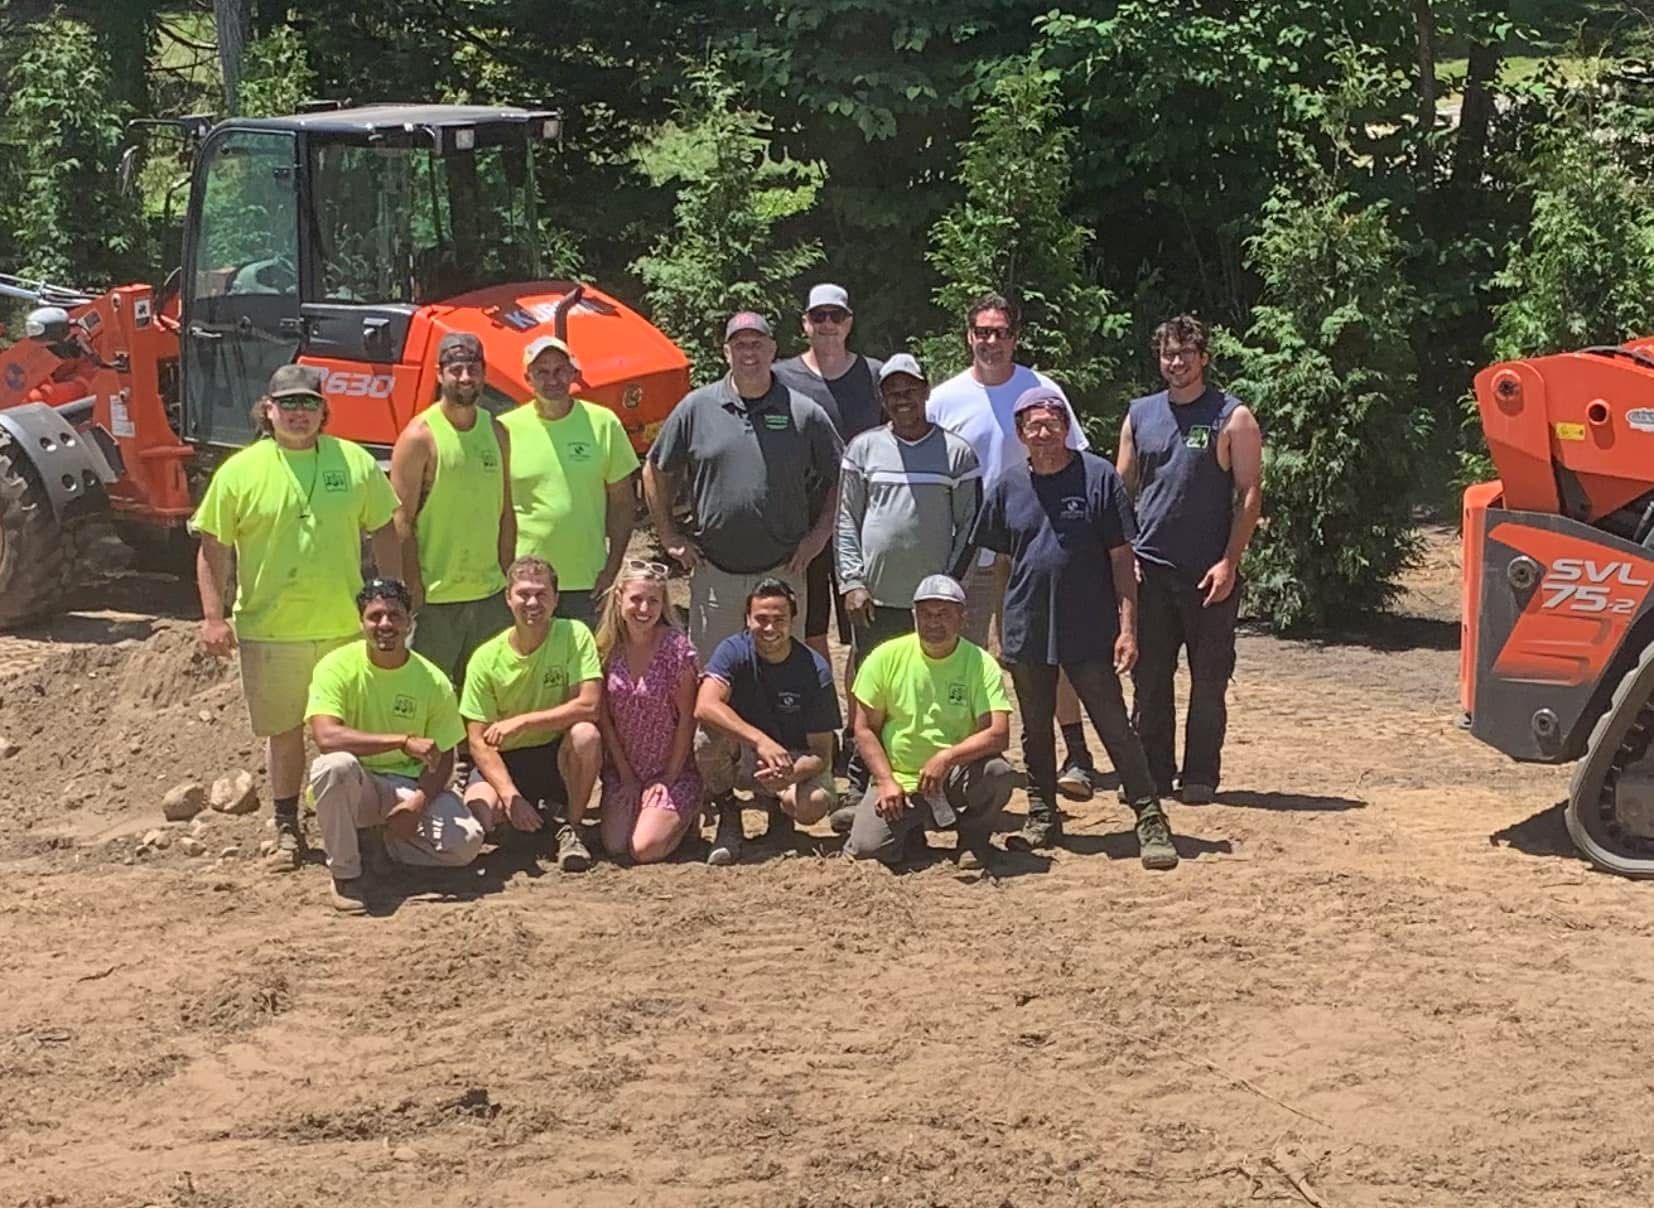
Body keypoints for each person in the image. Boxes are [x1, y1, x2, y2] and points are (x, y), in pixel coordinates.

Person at [192, 363, 401, 872]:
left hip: (344, 631)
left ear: (323, 410)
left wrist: (392, 598)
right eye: (289, 404)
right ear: (269, 410)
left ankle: (358, 824)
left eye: (309, 404)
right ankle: (287, 826)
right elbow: (213, 546)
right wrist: (213, 617)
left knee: (350, 734)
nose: (299, 414)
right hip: (271, 630)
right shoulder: (240, 471)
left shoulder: (353, 461)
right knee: (285, 735)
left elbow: (385, 530)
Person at [972, 387, 1178, 869]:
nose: (1042, 433)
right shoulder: (1006, 486)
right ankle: (1043, 813)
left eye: (1051, 423)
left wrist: (1128, 627)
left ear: (1067, 427)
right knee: (1035, 729)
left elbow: (1122, 559)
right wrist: (1003, 625)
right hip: (1027, 625)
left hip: (1089, 627)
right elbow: (1002, 565)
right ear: (1021, 433)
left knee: (1114, 725)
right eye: (1032, 425)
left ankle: (1148, 815)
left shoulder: (1098, 478)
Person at [925, 291, 1099, 799]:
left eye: (1001, 332)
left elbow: (1077, 463)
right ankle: (980, 759)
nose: (991, 341)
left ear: (1015, 336)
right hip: (971, 556)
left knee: (1054, 656)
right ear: (968, 337)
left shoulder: (1042, 390)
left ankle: (1075, 755)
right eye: (982, 331)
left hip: (1038, 552)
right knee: (971, 659)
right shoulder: (943, 399)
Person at [1117, 315, 1263, 804]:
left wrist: (1230, 562)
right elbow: (1123, 490)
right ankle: (1154, 775)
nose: (1176, 362)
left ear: (1203, 357)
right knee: (1150, 679)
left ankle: (1201, 775)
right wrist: (1125, 553)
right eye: (1167, 354)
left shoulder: (1232, 416)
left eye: (1185, 353)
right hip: (1150, 570)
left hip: (1209, 575)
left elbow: (1248, 494)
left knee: (1209, 681)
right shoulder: (1139, 414)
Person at [643, 312, 843, 659]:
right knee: (711, 677)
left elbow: (843, 476)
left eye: (757, 344)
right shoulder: (697, 407)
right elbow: (655, 468)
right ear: (726, 352)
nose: (748, 352)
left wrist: (820, 535)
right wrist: (668, 534)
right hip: (715, 573)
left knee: (783, 677)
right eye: (739, 344)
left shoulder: (802, 412)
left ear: (772, 350)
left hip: (784, 571)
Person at [835, 353, 981, 796]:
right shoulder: (862, 449)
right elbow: (847, 520)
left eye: (910, 390)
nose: (903, 400)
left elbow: (970, 528)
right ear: (883, 398)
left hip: (933, 606)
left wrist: (950, 593)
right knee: (871, 693)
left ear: (926, 391)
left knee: (932, 694)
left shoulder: (956, 453)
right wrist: (852, 582)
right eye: (893, 392)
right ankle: (863, 786)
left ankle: (939, 784)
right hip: (875, 599)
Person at [305, 578, 484, 914]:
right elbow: (326, 736)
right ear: (361, 623)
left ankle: (380, 844)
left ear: (409, 621)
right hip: (358, 786)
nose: (385, 624)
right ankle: (347, 875)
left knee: (467, 844)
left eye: (394, 616)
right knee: (333, 767)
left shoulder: (433, 680)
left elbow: (444, 756)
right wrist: (401, 742)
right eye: (375, 617)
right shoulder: (336, 667)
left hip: (407, 787)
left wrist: (417, 803)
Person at [843, 574, 1015, 871]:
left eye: (944, 613)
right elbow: (863, 728)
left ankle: (973, 839)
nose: (934, 622)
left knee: (998, 773)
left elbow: (998, 734)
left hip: (954, 775)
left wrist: (946, 757)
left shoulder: (979, 662)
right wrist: (885, 780)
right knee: (866, 851)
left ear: (962, 616)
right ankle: (906, 829)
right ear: (914, 615)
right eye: (926, 613)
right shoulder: (884, 657)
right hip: (900, 778)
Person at [458, 556, 603, 873]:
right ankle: (522, 817)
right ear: (508, 598)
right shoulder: (485, 658)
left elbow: (590, 705)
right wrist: (510, 796)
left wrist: (522, 721)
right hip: (505, 758)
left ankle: (573, 828)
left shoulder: (574, 635)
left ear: (556, 599)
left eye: (542, 594)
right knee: (479, 819)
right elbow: (477, 741)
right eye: (523, 594)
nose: (532, 602)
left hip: (554, 753)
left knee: (586, 735)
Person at [389, 331, 515, 688]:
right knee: (430, 698)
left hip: (489, 594)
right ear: (439, 373)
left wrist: (507, 574)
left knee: (484, 697)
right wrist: (413, 585)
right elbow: (400, 520)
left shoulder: (496, 431)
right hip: (436, 598)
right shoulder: (420, 437)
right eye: (456, 369)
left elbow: (505, 510)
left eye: (472, 369)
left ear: (484, 373)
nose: (465, 378)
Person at [774, 283, 884, 664]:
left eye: (835, 316)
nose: (827, 325)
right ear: (805, 323)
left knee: (864, 627)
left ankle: (861, 723)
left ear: (848, 322)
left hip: (867, 519)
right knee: (809, 625)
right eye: (818, 316)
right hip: (801, 521)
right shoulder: (780, 378)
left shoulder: (875, 376)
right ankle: (820, 716)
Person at [694, 578, 841, 865]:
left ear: (792, 620)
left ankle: (780, 816)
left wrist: (790, 773)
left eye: (779, 619)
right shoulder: (733, 650)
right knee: (707, 736)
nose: (770, 628)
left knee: (810, 806)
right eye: (761, 619)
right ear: (747, 619)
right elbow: (705, 705)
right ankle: (728, 814)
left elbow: (822, 753)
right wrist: (760, 741)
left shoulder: (815, 668)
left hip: (794, 759)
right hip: (747, 754)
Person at [502, 335, 639, 628]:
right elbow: (496, 507)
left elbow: (623, 503)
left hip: (587, 579)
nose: (552, 379)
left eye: (560, 370)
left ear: (574, 374)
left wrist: (612, 567)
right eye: (542, 372)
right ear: (527, 378)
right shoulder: (505, 429)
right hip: (528, 582)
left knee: (585, 668)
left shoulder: (603, 423)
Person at [593, 559, 703, 864]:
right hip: (625, 768)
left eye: (653, 601)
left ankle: (689, 812)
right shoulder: (606, 649)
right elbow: (605, 720)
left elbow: (687, 721)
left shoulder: (676, 649)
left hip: (673, 769)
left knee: (644, 849)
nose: (644, 609)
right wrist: (626, 775)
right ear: (620, 599)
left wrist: (668, 777)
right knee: (615, 846)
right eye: (636, 599)